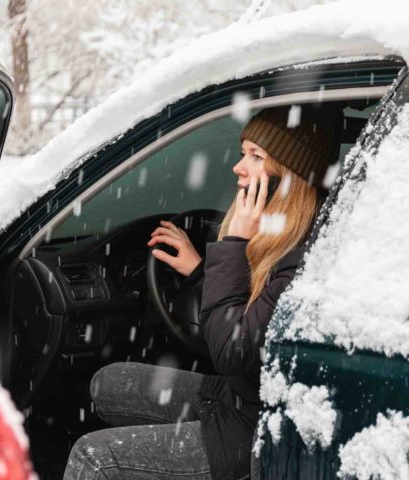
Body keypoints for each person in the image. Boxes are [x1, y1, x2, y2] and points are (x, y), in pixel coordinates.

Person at [63, 105, 338, 480]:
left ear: (287, 177)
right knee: (107, 382)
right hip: (237, 400)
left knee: (92, 456)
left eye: (255, 157)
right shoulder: (282, 239)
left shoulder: (301, 257)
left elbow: (232, 351)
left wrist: (235, 242)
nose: (238, 167)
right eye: (243, 153)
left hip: (250, 434)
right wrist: (197, 271)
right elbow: (251, 315)